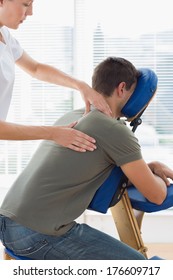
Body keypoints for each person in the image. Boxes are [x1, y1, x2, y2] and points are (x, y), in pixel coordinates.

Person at [0, 56, 173, 260]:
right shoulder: (115, 130)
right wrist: (161, 172)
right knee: (137, 266)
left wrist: (147, 166)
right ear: (122, 88)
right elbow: (157, 196)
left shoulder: (73, 115)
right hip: (37, 235)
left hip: (8, 225)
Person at [0, 0, 112, 152]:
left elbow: (36, 68)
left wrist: (81, 85)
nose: (31, 12)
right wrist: (53, 133)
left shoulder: (4, 35)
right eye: (26, 4)